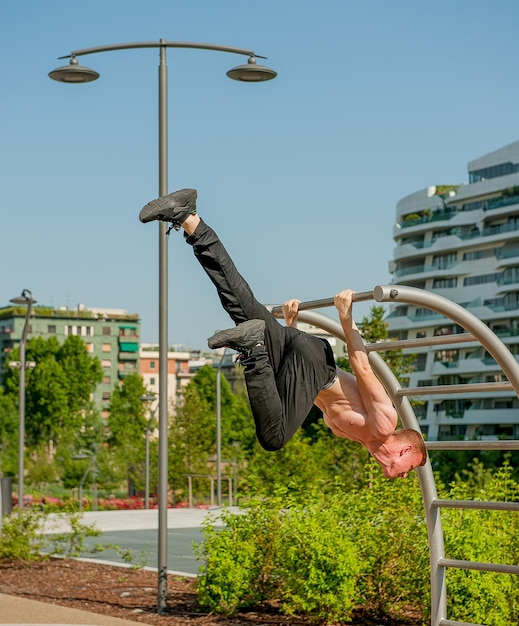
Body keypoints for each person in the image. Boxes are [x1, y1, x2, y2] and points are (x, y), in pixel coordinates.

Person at [139, 188, 427, 479]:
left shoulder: (357, 436)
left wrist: (291, 330)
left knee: (236, 300)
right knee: (273, 438)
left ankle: (189, 218)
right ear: (405, 451)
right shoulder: (384, 423)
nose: (404, 476)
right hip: (314, 362)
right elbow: (361, 365)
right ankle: (253, 349)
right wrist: (346, 317)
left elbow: (299, 391)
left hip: (300, 356)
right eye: (410, 468)